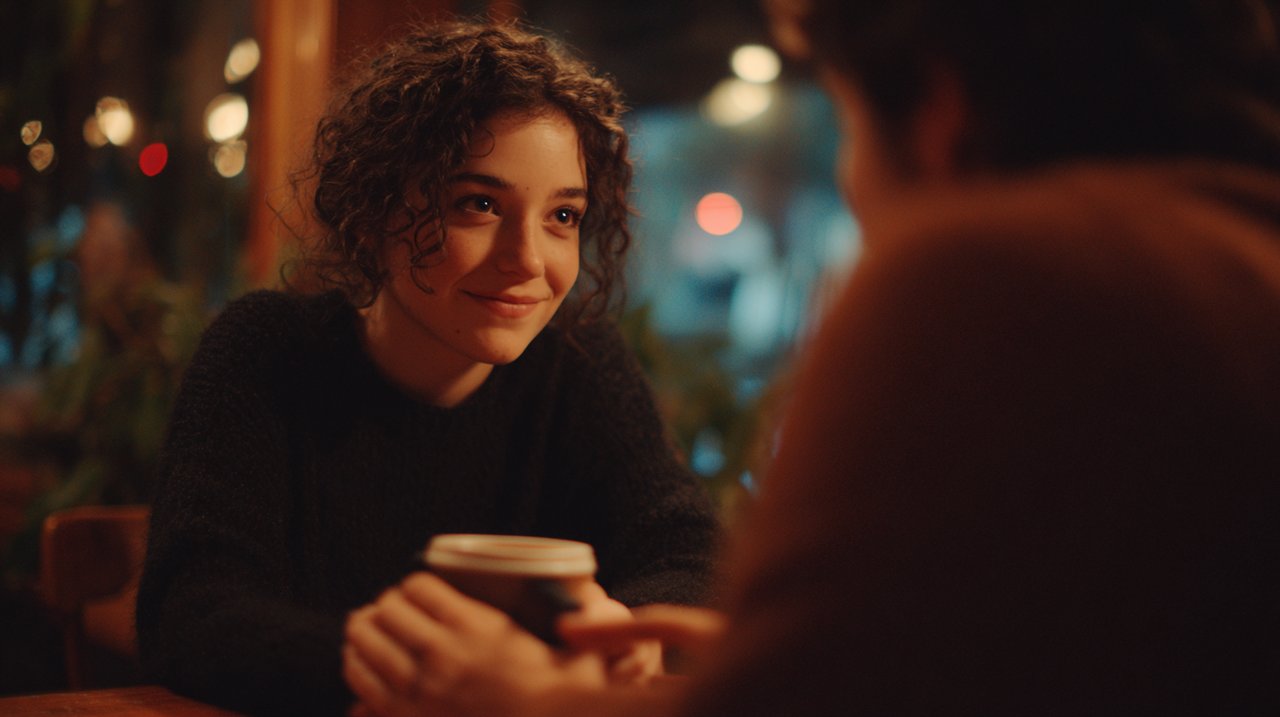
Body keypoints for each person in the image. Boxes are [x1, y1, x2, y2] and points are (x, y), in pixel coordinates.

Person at [343, 2, 1280, 716]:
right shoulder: (1222, 261)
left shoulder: (1006, 271)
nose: (850, 179)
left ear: (940, 112)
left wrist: (530, 696)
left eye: (845, 117)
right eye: (476, 203)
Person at [135, 21, 719, 717]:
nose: (529, 261)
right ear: (374, 209)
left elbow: (690, 550)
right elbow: (192, 610)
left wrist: (627, 628)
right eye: (479, 204)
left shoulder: (578, 363)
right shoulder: (266, 353)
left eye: (563, 215)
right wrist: (426, 675)